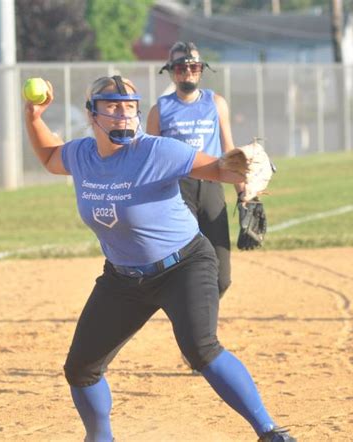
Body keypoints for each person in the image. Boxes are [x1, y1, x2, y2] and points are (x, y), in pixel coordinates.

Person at [24, 75, 296, 442]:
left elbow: (215, 169)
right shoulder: (82, 155)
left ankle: (270, 432)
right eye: (112, 106)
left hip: (183, 265)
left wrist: (243, 170)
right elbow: (49, 156)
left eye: (130, 107)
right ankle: (99, 437)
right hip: (123, 279)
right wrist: (33, 117)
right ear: (92, 114)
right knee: (81, 368)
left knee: (201, 349)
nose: (123, 115)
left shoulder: (156, 151)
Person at [146, 41, 238, 299]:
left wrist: (245, 195)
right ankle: (192, 319)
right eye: (181, 68)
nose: (188, 72)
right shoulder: (160, 110)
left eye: (194, 66)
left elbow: (229, 152)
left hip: (211, 186)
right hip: (177, 191)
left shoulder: (215, 103)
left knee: (222, 277)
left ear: (201, 69)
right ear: (171, 71)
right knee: (185, 265)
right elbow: (149, 161)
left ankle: (202, 313)